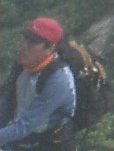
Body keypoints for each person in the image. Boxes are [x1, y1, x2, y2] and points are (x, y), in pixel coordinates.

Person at [0, 18, 75, 150]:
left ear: (50, 48)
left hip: (48, 144)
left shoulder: (58, 80)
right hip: (22, 138)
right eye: (25, 38)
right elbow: (8, 103)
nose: (24, 46)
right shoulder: (21, 66)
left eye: (33, 42)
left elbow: (27, 125)